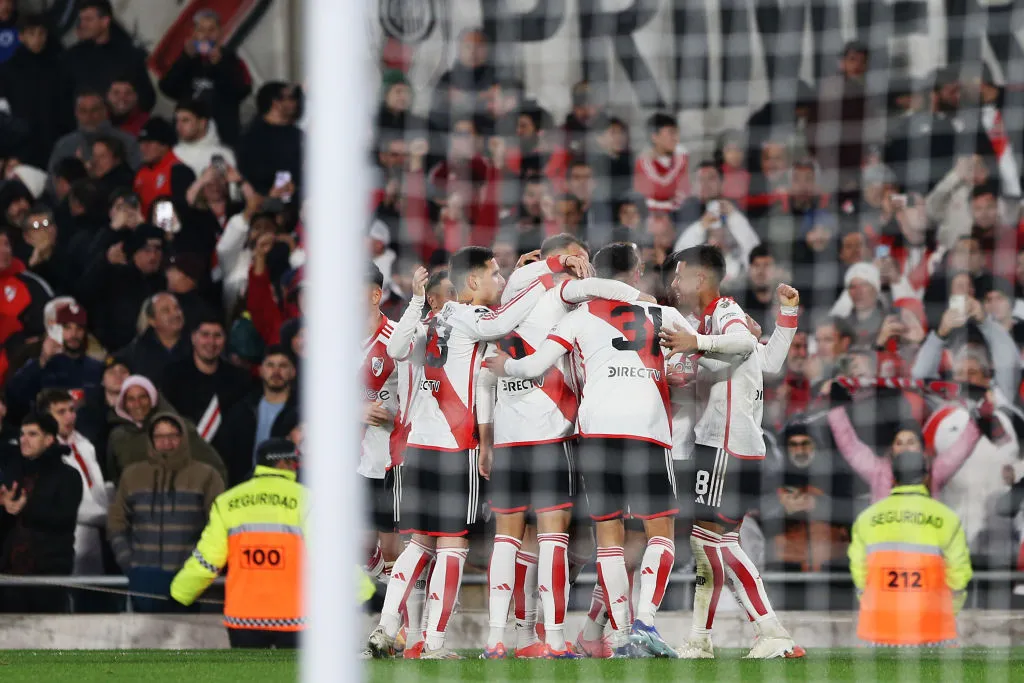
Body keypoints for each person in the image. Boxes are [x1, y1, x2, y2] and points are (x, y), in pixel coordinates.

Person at [488, 243, 687, 658]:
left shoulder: (577, 317)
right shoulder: (664, 314)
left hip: (592, 431)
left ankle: (615, 636)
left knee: (608, 538)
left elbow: (531, 365)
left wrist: (503, 368)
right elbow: (688, 367)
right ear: (636, 274)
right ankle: (644, 624)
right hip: (647, 429)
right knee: (660, 533)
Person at [367, 245, 555, 659]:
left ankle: (385, 629)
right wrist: (546, 273)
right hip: (457, 445)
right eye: (495, 274)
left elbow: (397, 350)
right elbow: (507, 318)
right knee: (452, 546)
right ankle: (433, 643)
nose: (500, 282)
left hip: (418, 446)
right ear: (473, 281)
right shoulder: (474, 317)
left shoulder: (435, 316)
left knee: (418, 543)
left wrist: (416, 299)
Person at [660, 245, 804, 659]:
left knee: (714, 543)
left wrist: (695, 342)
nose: (674, 283)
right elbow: (770, 360)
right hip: (739, 445)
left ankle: (771, 630)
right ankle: (701, 639)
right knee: (709, 542)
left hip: (725, 444)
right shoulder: (714, 321)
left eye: (679, 275)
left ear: (699, 279)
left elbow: (740, 341)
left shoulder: (724, 311)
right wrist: (788, 317)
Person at [171, 438, 305, 647]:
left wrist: (180, 592)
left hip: (244, 617)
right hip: (296, 618)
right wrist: (363, 592)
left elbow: (207, 560)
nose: (297, 468)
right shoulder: (308, 500)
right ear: (283, 463)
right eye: (295, 462)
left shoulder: (228, 501)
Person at [848, 450, 973, 646]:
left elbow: (860, 579)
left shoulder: (867, 519)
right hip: (933, 631)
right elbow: (959, 579)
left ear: (893, 478)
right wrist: (947, 613)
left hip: (879, 632)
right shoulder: (947, 518)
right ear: (926, 477)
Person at [108, 412, 224, 613]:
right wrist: (128, 562)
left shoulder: (206, 475)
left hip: (189, 578)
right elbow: (116, 521)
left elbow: (218, 526)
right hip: (143, 576)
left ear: (183, 438)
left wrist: (198, 564)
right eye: (160, 437)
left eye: (172, 436)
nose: (166, 442)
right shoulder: (133, 474)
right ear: (151, 440)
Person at [0, 413, 82, 613]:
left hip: (49, 572)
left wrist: (24, 508)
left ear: (49, 439)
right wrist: (3, 507)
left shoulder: (68, 476)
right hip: (9, 574)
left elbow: (64, 518)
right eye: (22, 434)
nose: (24, 440)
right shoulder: (12, 473)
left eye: (32, 434)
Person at [37, 389, 108, 577]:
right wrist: (107, 516)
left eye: (71, 410)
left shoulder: (85, 445)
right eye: (61, 412)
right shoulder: (41, 453)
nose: (70, 416)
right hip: (62, 542)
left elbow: (98, 490)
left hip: (94, 539)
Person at [107, 374, 227, 485]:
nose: (137, 404)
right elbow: (116, 479)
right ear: (124, 404)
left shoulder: (179, 427)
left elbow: (214, 467)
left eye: (143, 397)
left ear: (152, 399)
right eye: (131, 399)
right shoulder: (117, 437)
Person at [360, 264, 401, 585]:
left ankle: (396, 620)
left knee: (392, 549)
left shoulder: (399, 339)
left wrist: (394, 417)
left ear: (375, 294)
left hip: (384, 459)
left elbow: (423, 399)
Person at [157, 9, 252, 148]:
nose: (206, 35)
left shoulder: (233, 60)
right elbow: (167, 88)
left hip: (221, 138)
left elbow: (241, 92)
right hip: (186, 137)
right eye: (201, 30)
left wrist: (220, 65)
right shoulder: (185, 59)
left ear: (220, 33)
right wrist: (185, 58)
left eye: (211, 30)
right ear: (194, 33)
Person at [214, 346, 298, 487]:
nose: (276, 371)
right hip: (245, 489)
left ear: (293, 372)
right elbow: (225, 455)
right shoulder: (241, 409)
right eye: (270, 365)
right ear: (260, 371)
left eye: (283, 366)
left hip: (289, 489)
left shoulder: (303, 413)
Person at [5, 300, 103, 420]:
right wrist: (42, 360)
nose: (74, 334)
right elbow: (13, 395)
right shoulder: (41, 363)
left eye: (79, 328)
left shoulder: (96, 367)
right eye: (67, 327)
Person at [159, 316, 251, 443]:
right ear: (193, 338)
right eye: (205, 335)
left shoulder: (239, 379)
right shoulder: (172, 375)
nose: (211, 342)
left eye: (217, 336)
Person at [59, 0, 155, 117]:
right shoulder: (72, 56)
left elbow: (148, 99)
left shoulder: (129, 54)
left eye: (88, 20)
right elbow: (62, 98)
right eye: (81, 19)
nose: (82, 24)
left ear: (105, 21)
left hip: (122, 129)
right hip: (84, 130)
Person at [0, 13, 64, 169]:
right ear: (21, 36)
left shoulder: (57, 67)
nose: (37, 39)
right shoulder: (8, 70)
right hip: (20, 147)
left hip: (53, 141)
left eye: (41, 33)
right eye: (31, 33)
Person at [48, 89, 141, 178]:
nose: (89, 116)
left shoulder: (127, 142)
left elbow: (136, 177)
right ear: (76, 113)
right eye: (83, 111)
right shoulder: (64, 145)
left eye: (94, 110)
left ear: (105, 111)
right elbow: (53, 182)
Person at [236, 82, 303, 195]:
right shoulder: (252, 137)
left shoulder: (298, 135)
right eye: (291, 98)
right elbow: (248, 172)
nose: (295, 102)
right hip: (263, 202)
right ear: (275, 102)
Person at [115, 292, 190, 384]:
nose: (175, 314)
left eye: (177, 308)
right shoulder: (136, 352)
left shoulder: (196, 343)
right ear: (152, 321)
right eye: (166, 310)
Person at [133, 117, 195, 217]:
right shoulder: (140, 171)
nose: (143, 148)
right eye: (141, 142)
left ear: (164, 145)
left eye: (148, 143)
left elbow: (184, 213)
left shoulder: (180, 172)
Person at [172, 99, 237, 177]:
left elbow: (233, 187)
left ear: (202, 123)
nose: (178, 127)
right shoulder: (171, 155)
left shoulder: (223, 156)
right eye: (177, 121)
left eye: (185, 120)